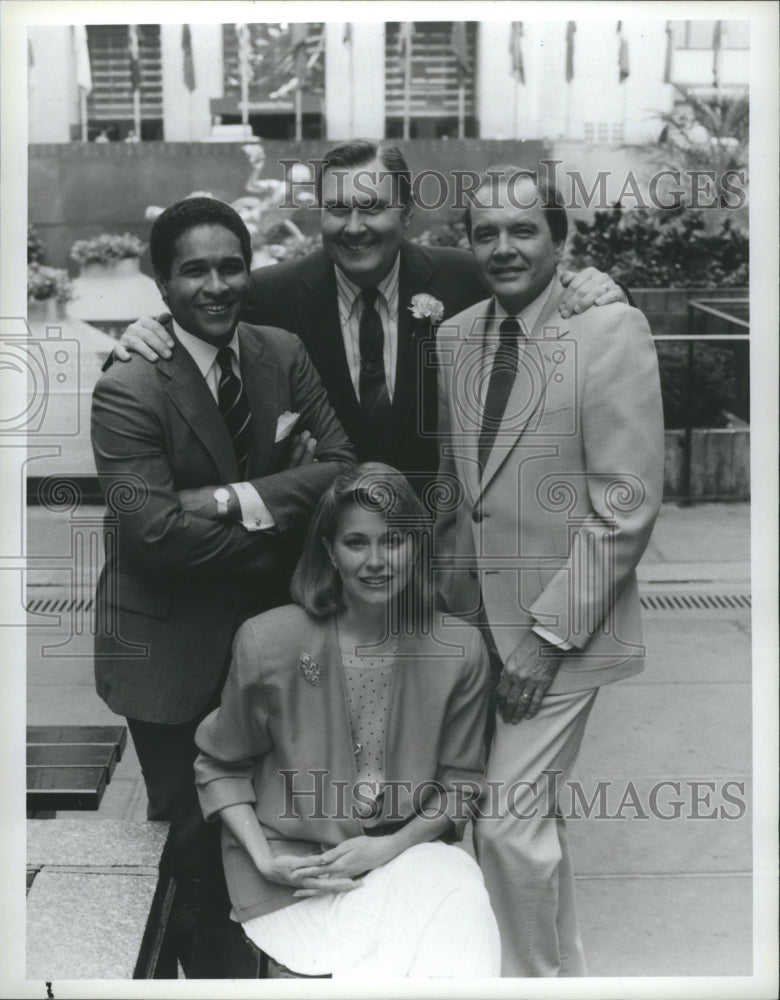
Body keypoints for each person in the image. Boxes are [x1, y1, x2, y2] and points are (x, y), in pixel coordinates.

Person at [90, 196, 354, 976]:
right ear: (162, 284)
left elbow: (340, 467)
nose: (216, 285)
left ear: (250, 269)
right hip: (170, 653)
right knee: (195, 847)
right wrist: (281, 519)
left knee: (275, 830)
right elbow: (157, 539)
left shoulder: (281, 351)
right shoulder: (130, 386)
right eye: (194, 270)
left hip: (272, 645)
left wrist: (233, 498)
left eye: (231, 265)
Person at [434, 166, 664, 976]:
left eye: (524, 230)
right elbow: (465, 490)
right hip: (472, 625)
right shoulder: (456, 336)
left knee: (504, 824)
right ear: (468, 243)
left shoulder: (610, 330)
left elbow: (625, 504)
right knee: (529, 822)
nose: (504, 247)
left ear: (561, 241)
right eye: (486, 232)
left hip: (562, 629)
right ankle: (565, 970)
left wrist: (544, 638)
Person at [110, 140, 625, 491]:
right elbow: (199, 317)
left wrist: (597, 287)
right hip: (314, 553)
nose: (354, 227)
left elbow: (544, 301)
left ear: (405, 212)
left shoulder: (469, 280)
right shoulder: (269, 293)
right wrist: (142, 335)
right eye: (338, 209)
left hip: (440, 551)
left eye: (372, 207)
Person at [193, 463, 501, 978]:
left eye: (394, 541)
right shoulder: (268, 642)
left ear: (417, 548)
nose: (375, 561)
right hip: (296, 875)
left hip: (404, 851)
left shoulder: (460, 649)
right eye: (356, 542)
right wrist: (264, 858)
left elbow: (461, 784)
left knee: (462, 910)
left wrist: (387, 847)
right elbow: (221, 765)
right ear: (329, 552)